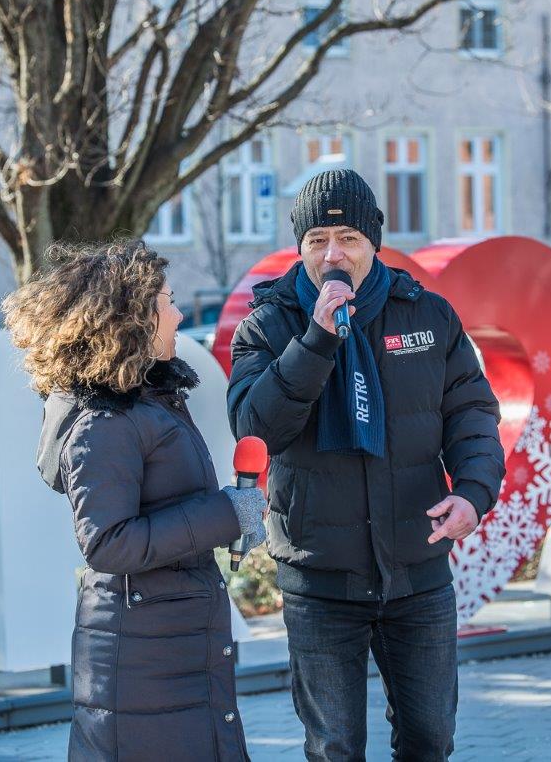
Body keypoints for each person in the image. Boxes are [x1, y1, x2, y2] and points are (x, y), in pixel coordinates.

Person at [226, 169, 506, 761]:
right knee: (335, 747)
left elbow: (473, 416)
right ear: (301, 247)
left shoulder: (428, 316)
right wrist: (316, 340)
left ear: (373, 243)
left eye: (348, 238)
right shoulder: (267, 325)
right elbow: (257, 428)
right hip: (320, 580)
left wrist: (473, 493)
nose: (333, 254)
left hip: (417, 572)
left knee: (431, 739)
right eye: (318, 241)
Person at [4, 239, 266, 762]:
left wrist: (233, 516)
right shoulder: (104, 423)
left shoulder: (150, 402)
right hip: (144, 657)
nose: (178, 314)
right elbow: (108, 543)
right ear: (132, 319)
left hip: (170, 643)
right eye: (169, 302)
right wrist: (225, 514)